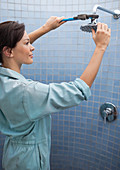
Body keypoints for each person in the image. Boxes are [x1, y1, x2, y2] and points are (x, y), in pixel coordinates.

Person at [0, 15, 111, 170]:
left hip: (12, 156)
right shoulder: (27, 92)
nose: (32, 47)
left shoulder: (3, 79)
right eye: (26, 43)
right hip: (29, 161)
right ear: (8, 51)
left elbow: (10, 49)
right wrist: (101, 47)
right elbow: (78, 90)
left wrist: (46, 28)